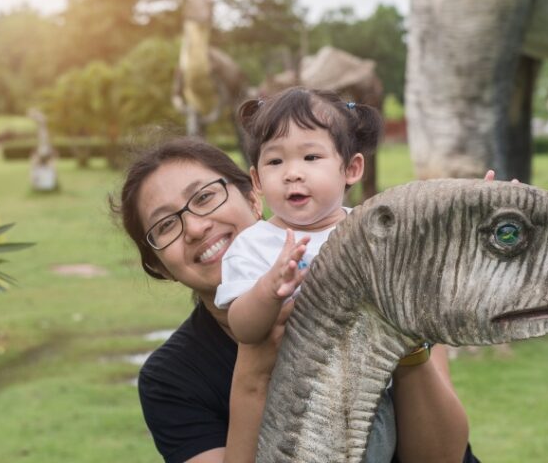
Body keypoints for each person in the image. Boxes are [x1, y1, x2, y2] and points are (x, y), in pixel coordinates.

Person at [115, 135, 478, 462]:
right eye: (165, 226)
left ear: (252, 196)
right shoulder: (171, 378)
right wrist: (254, 372)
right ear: (158, 266)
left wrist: (403, 334)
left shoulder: (373, 264)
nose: (195, 228)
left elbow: (441, 458)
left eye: (205, 197)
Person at [214, 87, 382, 345]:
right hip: (298, 380)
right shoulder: (252, 246)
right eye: (275, 161)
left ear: (351, 168)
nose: (292, 173)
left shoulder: (371, 231)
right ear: (257, 180)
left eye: (310, 157)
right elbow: (243, 330)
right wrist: (269, 290)